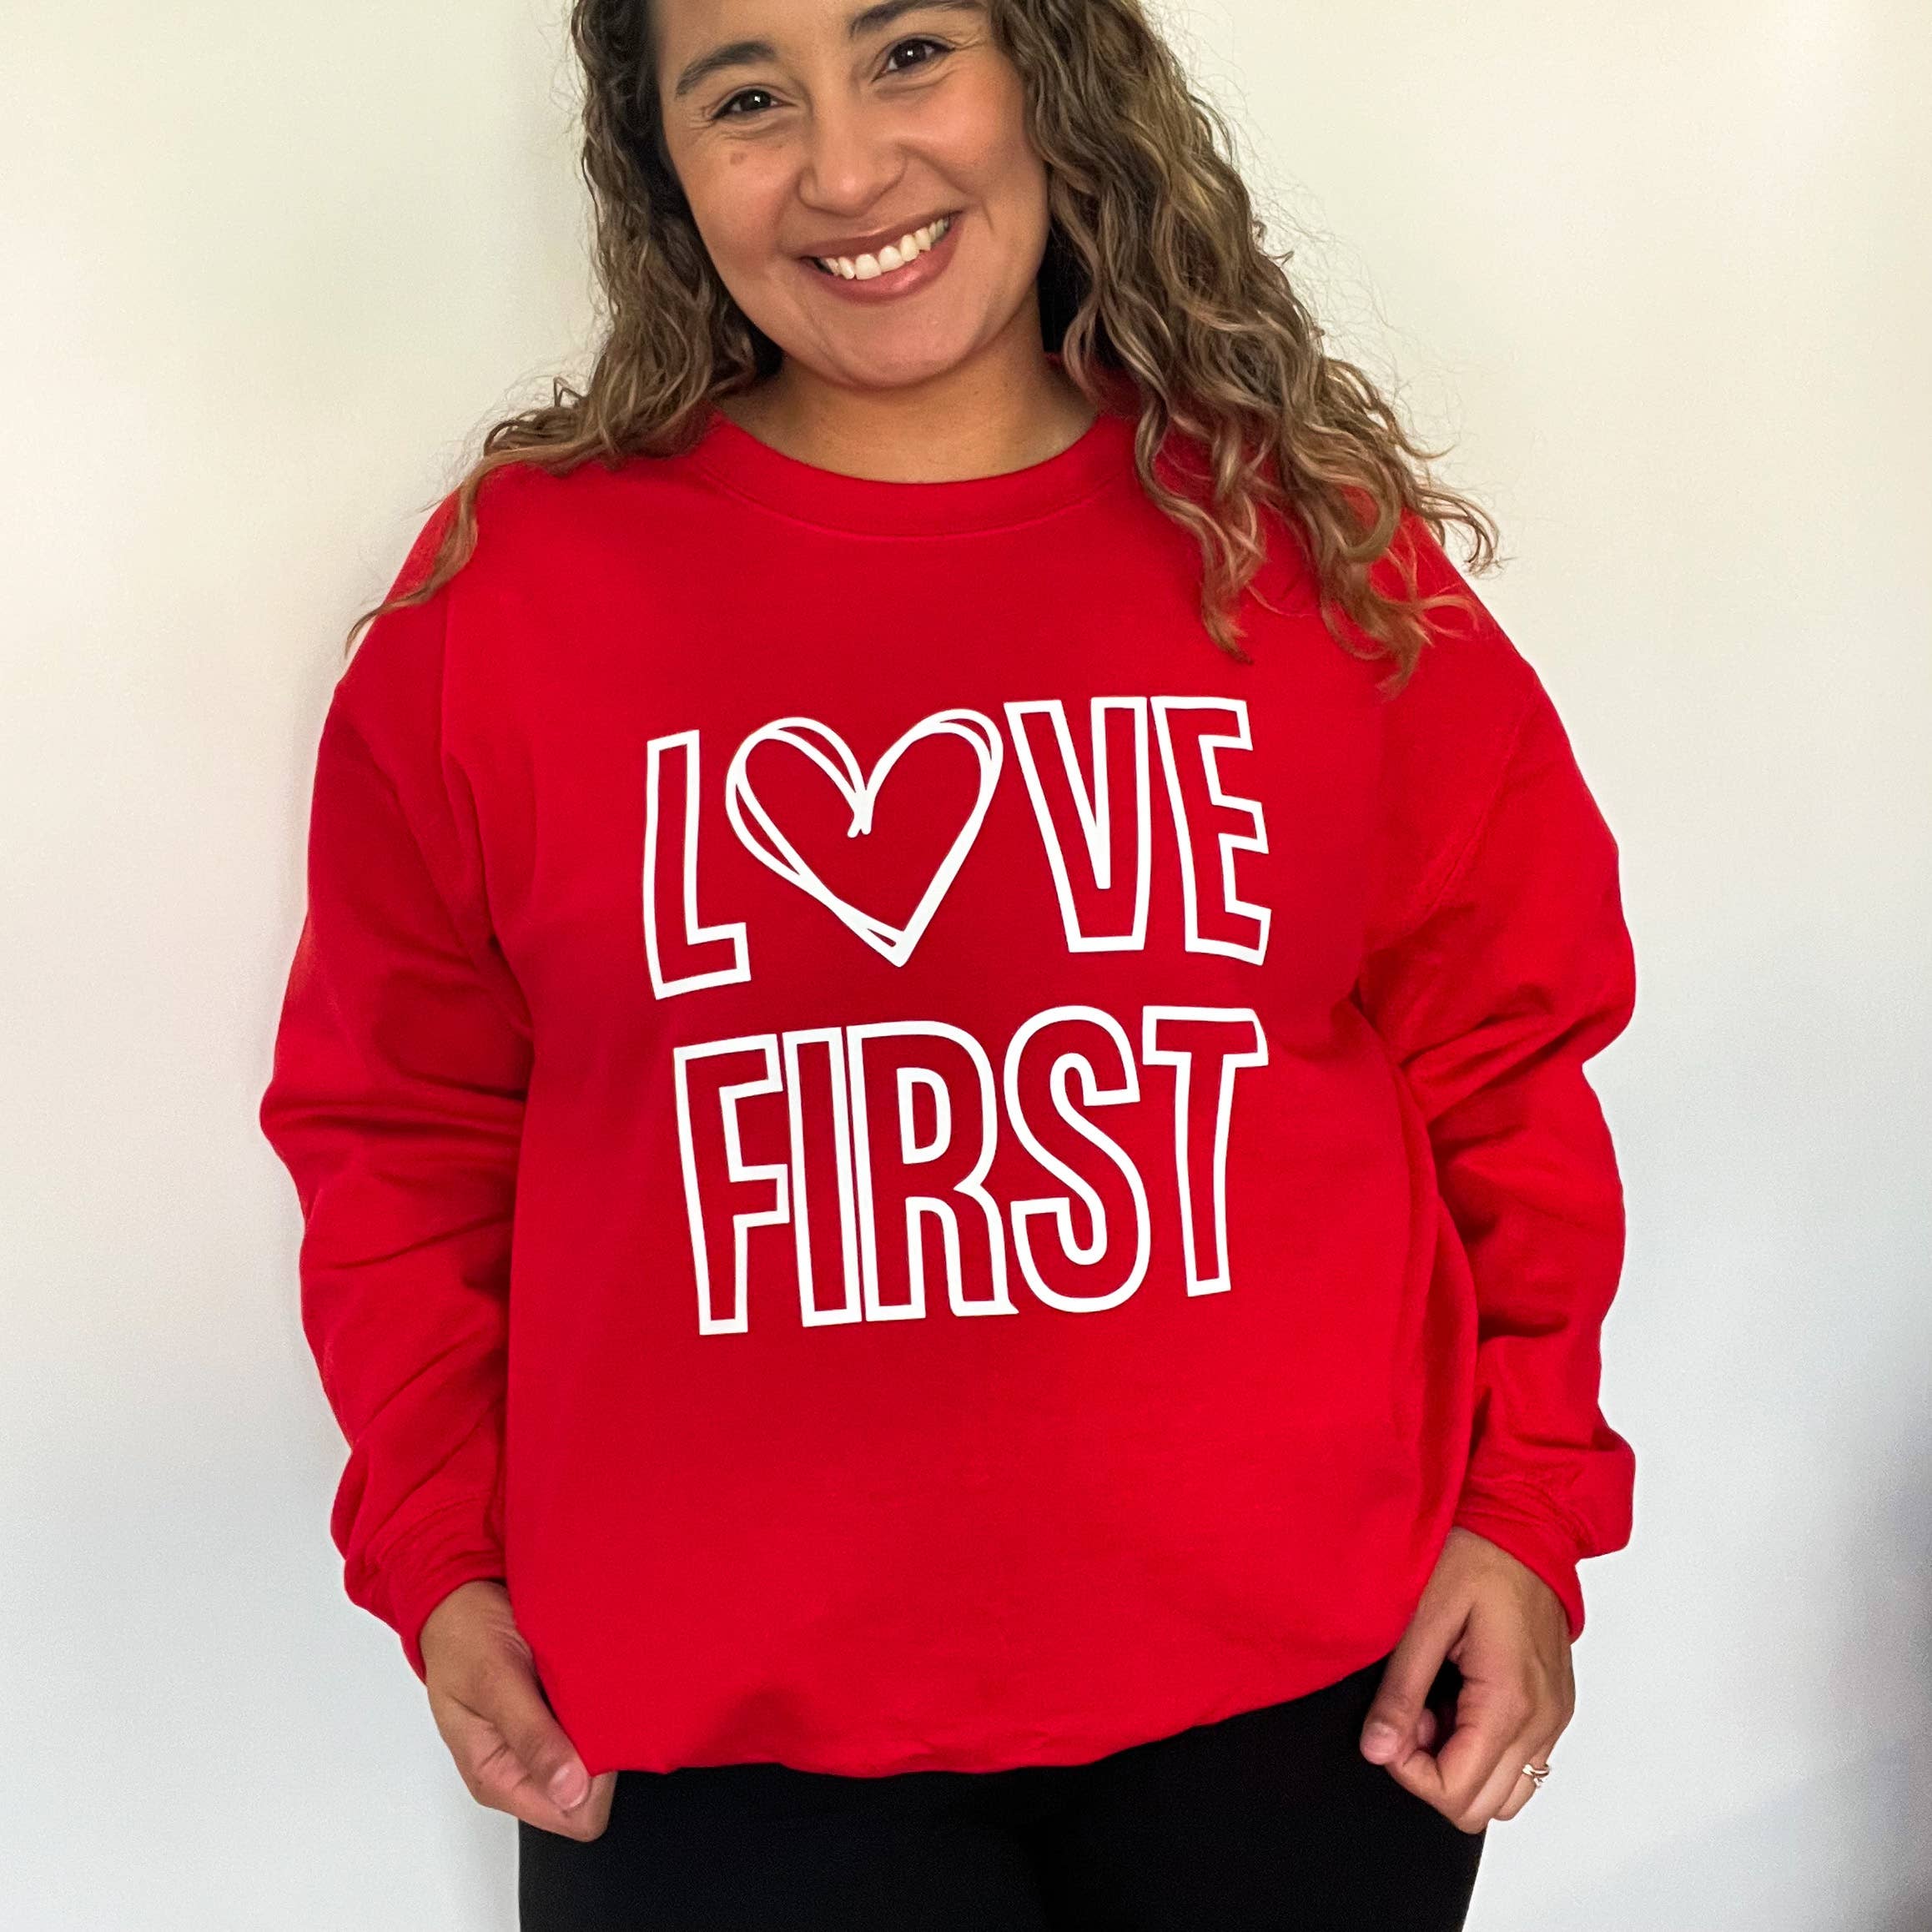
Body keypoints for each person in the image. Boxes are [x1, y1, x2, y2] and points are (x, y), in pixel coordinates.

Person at [257, 0, 1638, 1925]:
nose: (844, 167)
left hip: (1315, 1703)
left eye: (908, 52)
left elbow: (1503, 1063)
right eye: (749, 95)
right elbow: (401, 1135)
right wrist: (437, 1550)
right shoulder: (511, 603)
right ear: (665, 165)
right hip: (713, 1742)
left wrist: (1527, 1510)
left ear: (1047, 73)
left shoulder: (1306, 551)